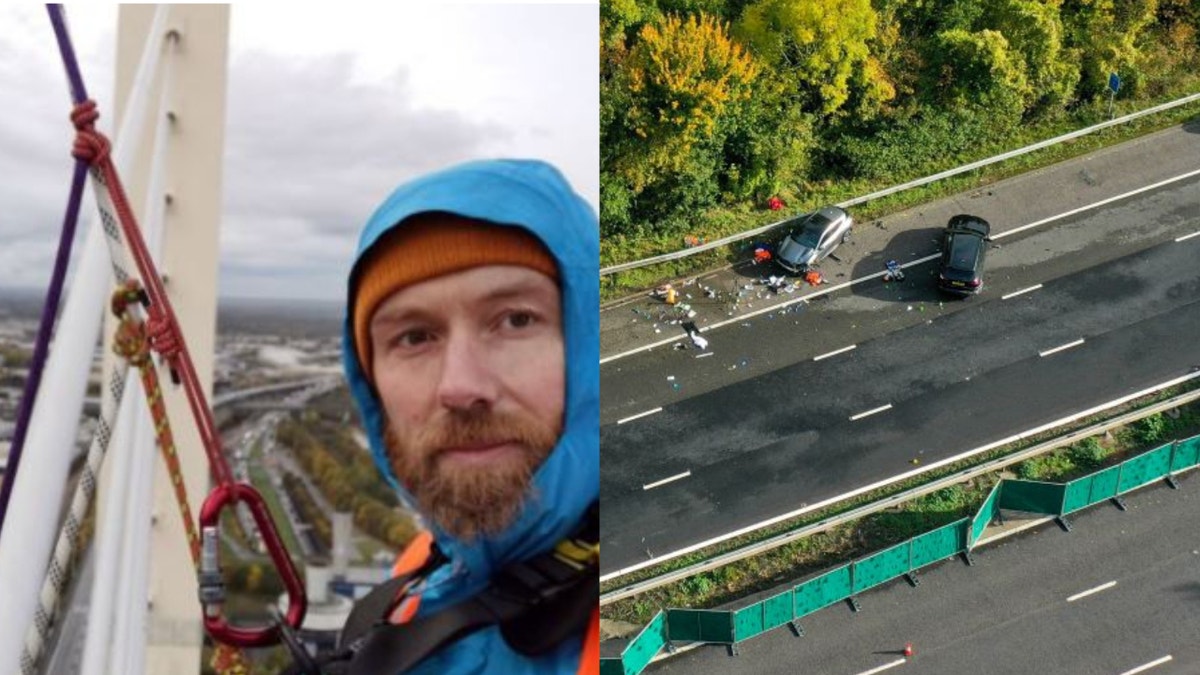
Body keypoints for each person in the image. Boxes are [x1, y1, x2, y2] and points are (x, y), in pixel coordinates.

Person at [337, 158, 599, 674]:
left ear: (584, 343)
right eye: (414, 337)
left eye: (515, 320)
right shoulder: (420, 581)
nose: (461, 387)